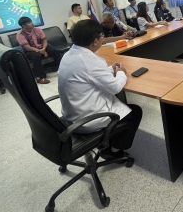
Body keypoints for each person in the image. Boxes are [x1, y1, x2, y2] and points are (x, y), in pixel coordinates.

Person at [58, 19, 142, 159]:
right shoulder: (89, 61)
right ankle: (113, 151)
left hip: (71, 115)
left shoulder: (68, 55)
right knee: (135, 112)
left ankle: (108, 141)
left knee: (119, 105)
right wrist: (121, 72)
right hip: (87, 119)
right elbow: (115, 88)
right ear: (96, 41)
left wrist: (110, 69)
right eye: (101, 36)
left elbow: (89, 76)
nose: (102, 39)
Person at [16, 17, 62, 84]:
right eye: (29, 23)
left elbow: (45, 41)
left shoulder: (38, 30)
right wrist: (41, 51)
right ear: (23, 26)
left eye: (31, 21)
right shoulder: (20, 34)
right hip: (30, 50)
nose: (32, 23)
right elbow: (27, 47)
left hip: (42, 47)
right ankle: (39, 77)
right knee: (37, 56)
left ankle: (62, 69)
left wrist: (43, 49)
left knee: (54, 51)